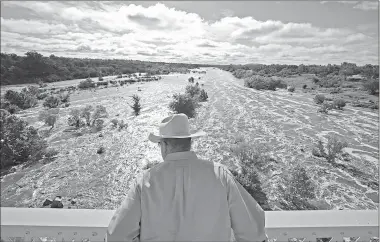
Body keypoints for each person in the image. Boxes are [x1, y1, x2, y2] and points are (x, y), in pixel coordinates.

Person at [106, 113, 267, 242]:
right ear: (190, 142)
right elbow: (252, 232)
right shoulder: (221, 175)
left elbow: (116, 235)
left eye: (159, 144)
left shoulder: (145, 181)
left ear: (165, 144)